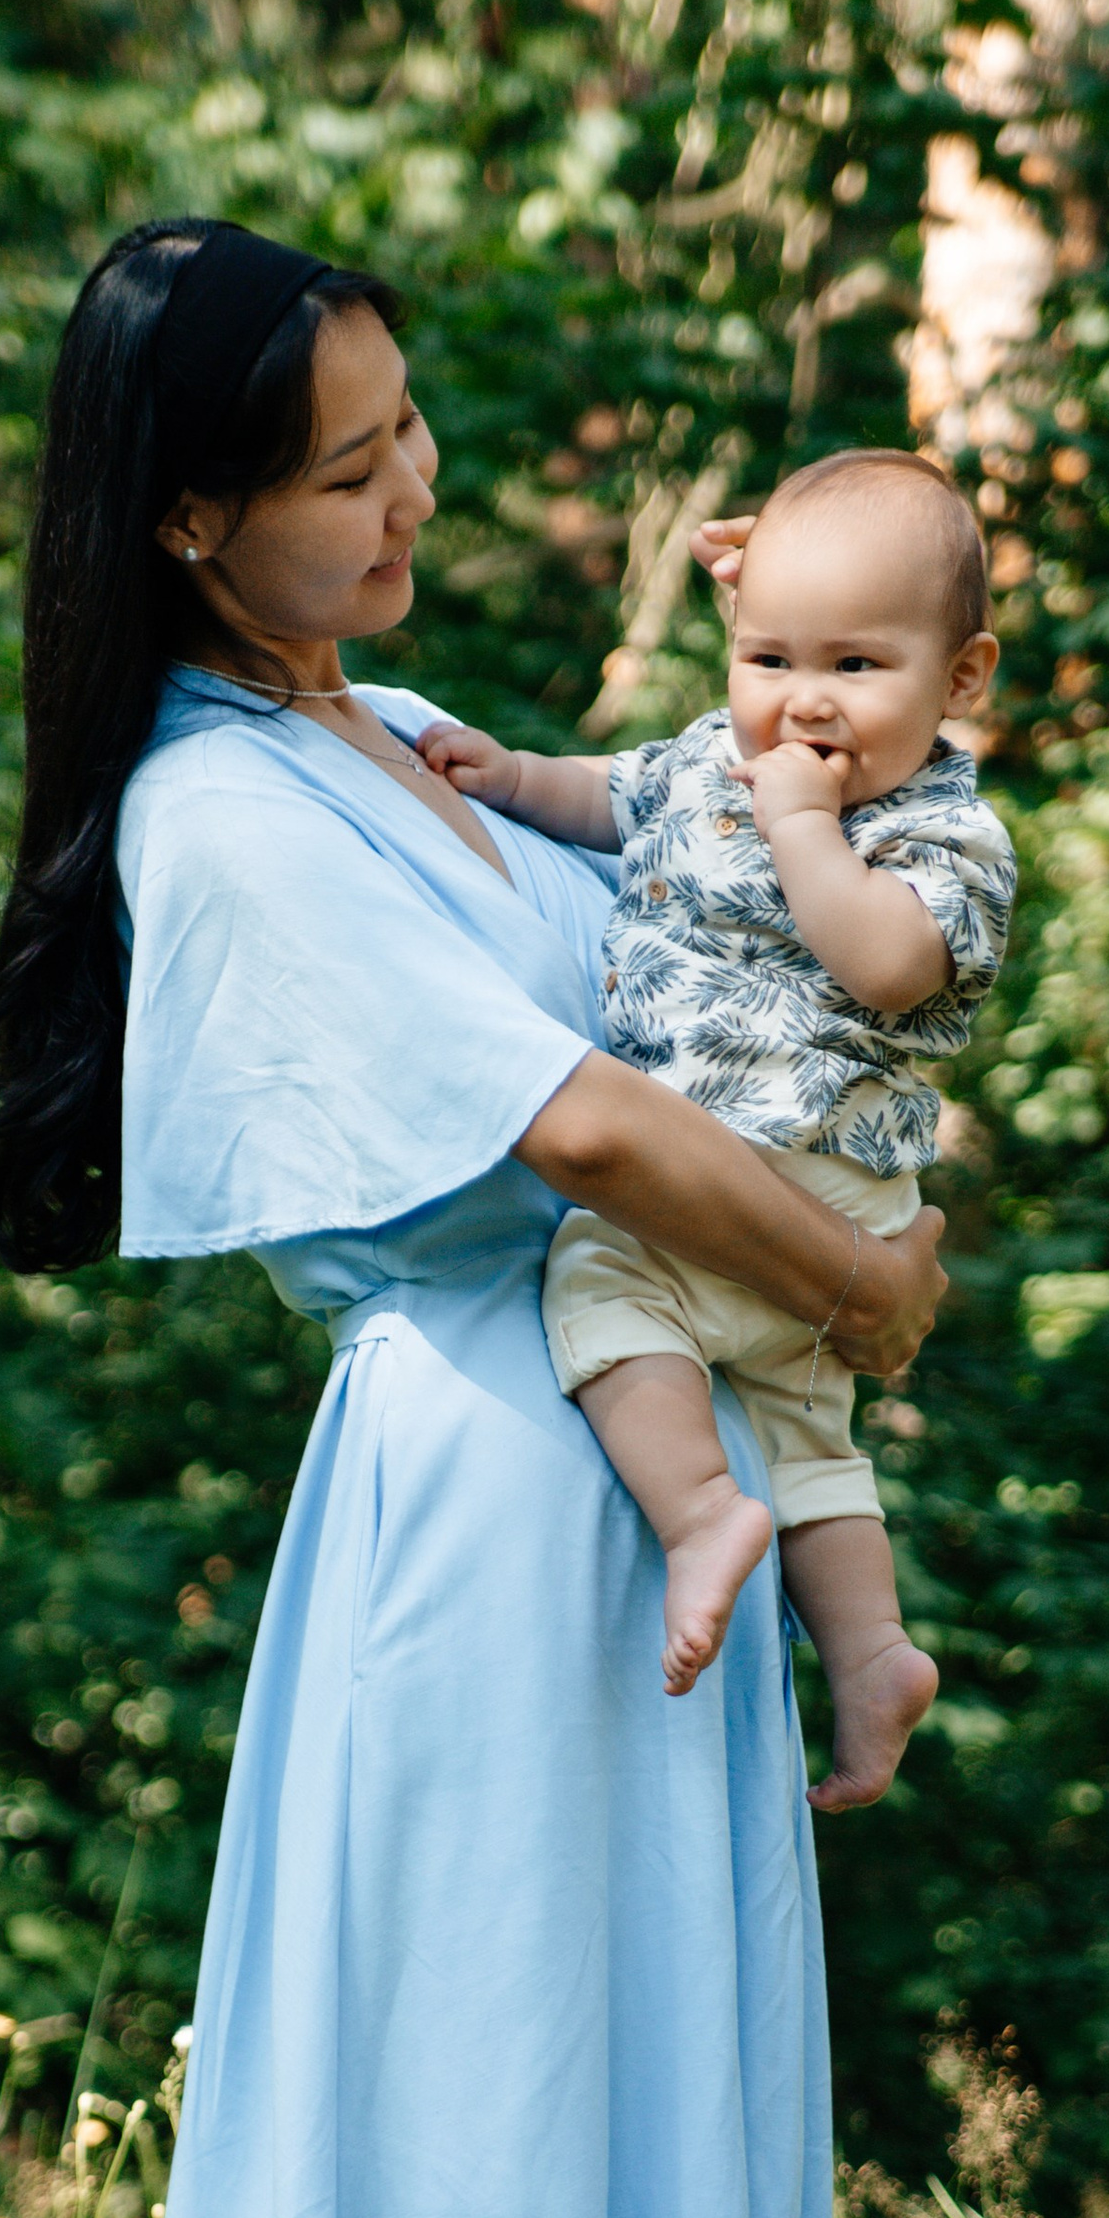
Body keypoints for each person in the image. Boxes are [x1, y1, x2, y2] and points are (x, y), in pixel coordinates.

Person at [0, 220, 948, 2218]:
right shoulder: (222, 813)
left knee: (558, 2177)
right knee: (372, 2175)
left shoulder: (376, 734)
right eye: (344, 462)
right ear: (187, 518)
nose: (415, 490)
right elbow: (592, 1124)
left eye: (409, 425)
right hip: (471, 1522)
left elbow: (732, 962)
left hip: (643, 1518)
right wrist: (867, 1288)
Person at [417, 450, 1014, 1810]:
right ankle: (872, 1654)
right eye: (769, 658)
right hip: (806, 1212)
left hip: (781, 1165)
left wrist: (804, 828)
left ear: (962, 678)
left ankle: (698, 1516)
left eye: (857, 664)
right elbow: (613, 796)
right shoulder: (707, 757)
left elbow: (888, 964)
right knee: (810, 1436)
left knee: (601, 1284)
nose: (804, 699)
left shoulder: (946, 833)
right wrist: (511, 773)